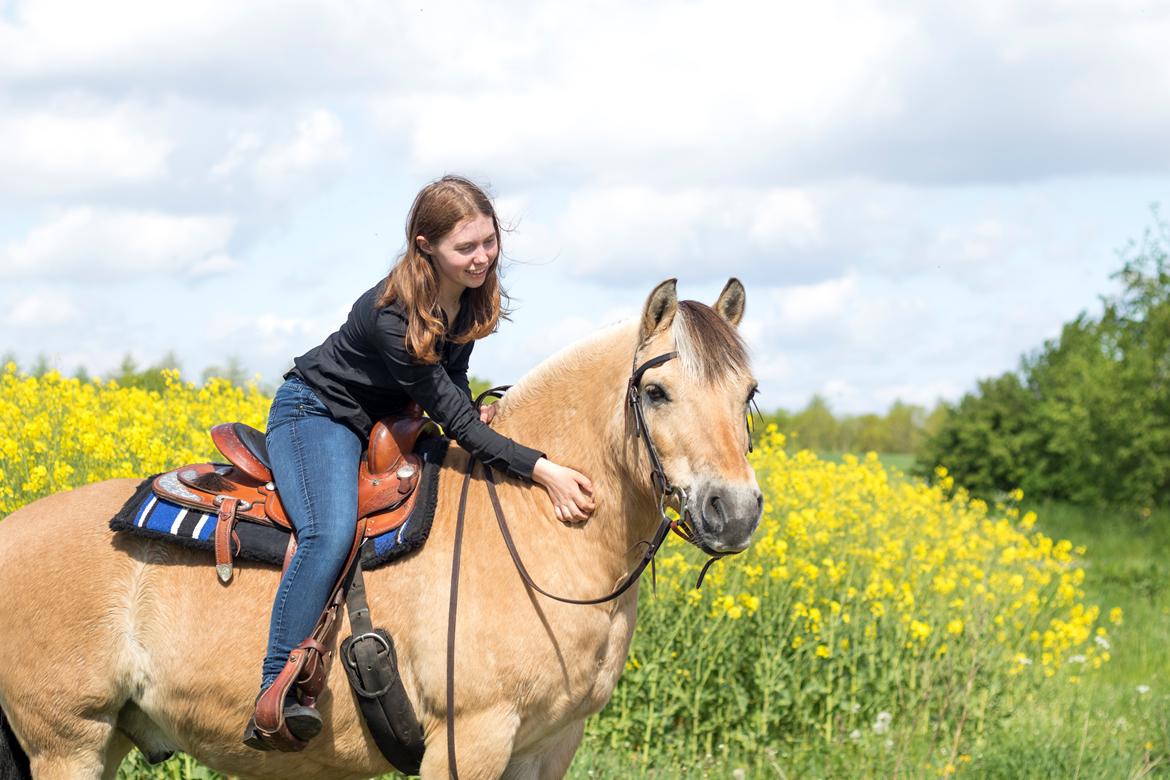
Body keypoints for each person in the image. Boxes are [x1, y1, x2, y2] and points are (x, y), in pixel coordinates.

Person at [243, 175, 596, 749]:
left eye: (489, 241)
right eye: (466, 247)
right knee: (329, 533)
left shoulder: (469, 294)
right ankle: (276, 691)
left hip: (390, 422)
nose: (482, 257)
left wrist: (471, 408)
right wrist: (543, 469)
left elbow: (451, 382)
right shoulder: (394, 314)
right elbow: (455, 420)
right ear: (425, 246)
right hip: (320, 413)